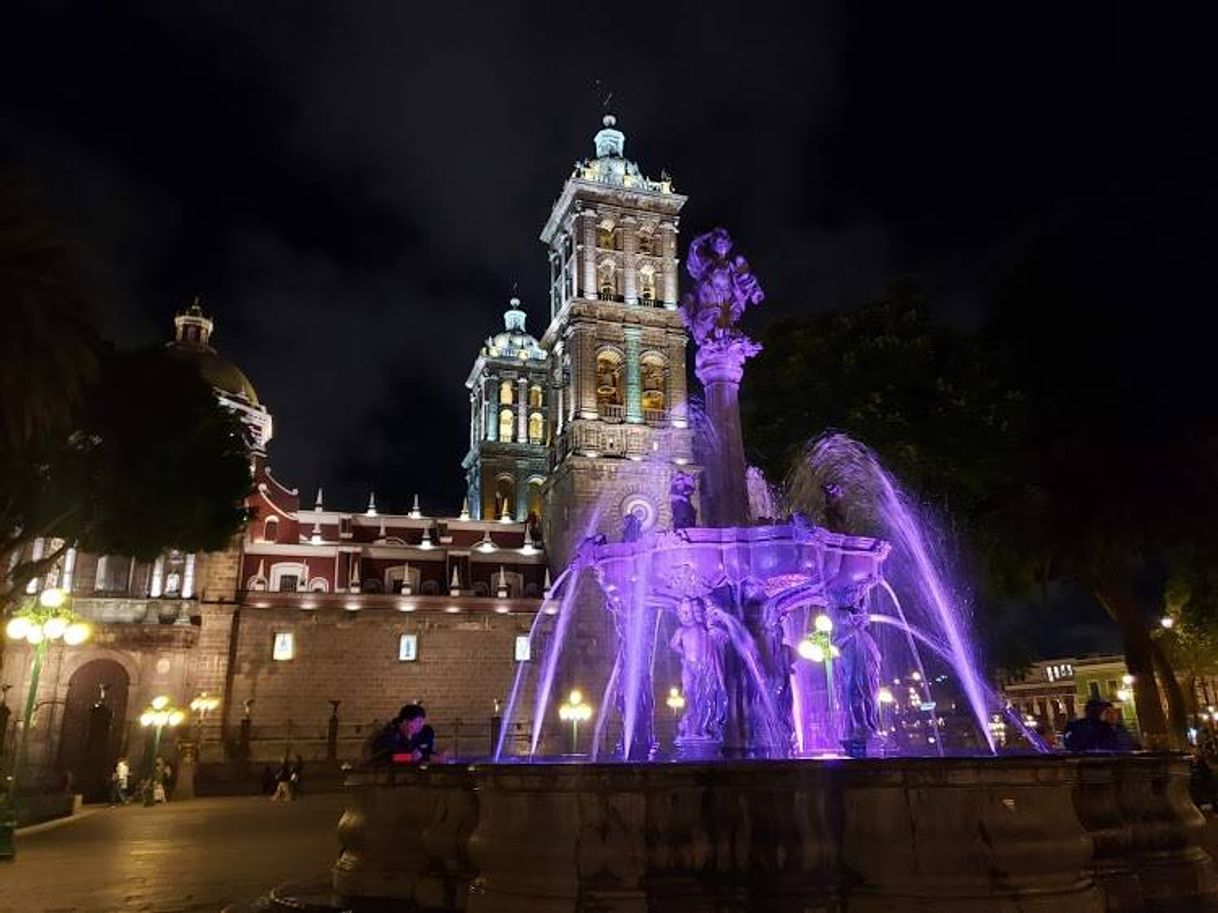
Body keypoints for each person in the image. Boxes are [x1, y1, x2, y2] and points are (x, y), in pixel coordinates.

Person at [371, 704, 435, 764]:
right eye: (418, 721)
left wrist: (436, 757)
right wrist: (407, 757)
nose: (421, 725)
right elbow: (381, 758)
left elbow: (425, 752)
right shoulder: (390, 735)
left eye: (423, 721)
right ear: (405, 722)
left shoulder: (424, 732)